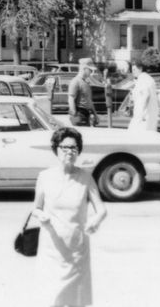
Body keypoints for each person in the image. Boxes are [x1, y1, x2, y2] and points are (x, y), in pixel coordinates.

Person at [33, 127, 107, 307]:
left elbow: (102, 209)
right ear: (56, 149)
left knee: (75, 299)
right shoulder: (45, 177)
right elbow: (36, 207)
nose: (69, 152)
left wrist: (95, 222)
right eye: (64, 148)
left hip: (76, 248)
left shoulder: (85, 178)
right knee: (52, 296)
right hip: (51, 247)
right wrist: (41, 215)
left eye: (74, 148)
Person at [128, 60, 159, 132]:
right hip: (149, 117)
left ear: (140, 68)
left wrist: (138, 118)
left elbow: (143, 99)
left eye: (134, 69)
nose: (133, 72)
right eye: (132, 70)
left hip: (143, 118)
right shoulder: (148, 79)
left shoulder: (143, 80)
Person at [67, 59, 96, 126]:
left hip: (86, 114)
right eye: (90, 70)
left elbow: (89, 101)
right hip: (79, 113)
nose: (91, 72)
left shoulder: (86, 82)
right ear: (84, 68)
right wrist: (74, 114)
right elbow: (71, 98)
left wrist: (95, 114)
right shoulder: (75, 81)